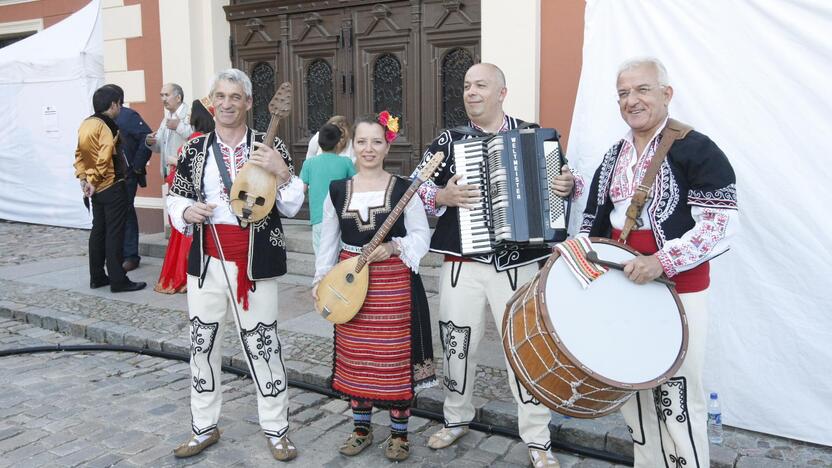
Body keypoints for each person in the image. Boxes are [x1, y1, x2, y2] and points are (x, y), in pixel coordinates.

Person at [413, 63, 578, 468]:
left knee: (526, 348)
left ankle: (538, 439)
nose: (471, 92)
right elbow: (413, 191)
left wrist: (567, 187)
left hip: (520, 265)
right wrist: (442, 199)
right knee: (456, 343)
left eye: (480, 85)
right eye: (467, 85)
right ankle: (456, 417)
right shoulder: (448, 141)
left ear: (501, 92)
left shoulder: (535, 136)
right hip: (462, 263)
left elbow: (565, 188)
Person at [580, 57, 738, 468]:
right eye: (623, 93)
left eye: (642, 90)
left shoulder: (698, 148)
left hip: (678, 290)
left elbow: (719, 226)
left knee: (679, 394)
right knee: (631, 389)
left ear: (667, 94)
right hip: (621, 286)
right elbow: (594, 221)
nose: (631, 100)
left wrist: (662, 262)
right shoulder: (614, 154)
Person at [165, 69, 304, 461]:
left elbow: (292, 204)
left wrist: (282, 170)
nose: (226, 104)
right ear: (212, 101)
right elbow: (174, 198)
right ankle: (203, 427)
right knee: (202, 344)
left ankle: (277, 430)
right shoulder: (194, 149)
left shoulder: (269, 144)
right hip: (208, 259)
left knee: (264, 345)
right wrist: (187, 209)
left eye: (234, 97)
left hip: (254, 263)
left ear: (248, 102)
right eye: (220, 96)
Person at [312, 112, 436, 462]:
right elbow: (328, 240)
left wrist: (394, 247)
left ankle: (399, 435)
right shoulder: (339, 190)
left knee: (394, 359)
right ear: (353, 146)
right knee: (357, 358)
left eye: (376, 142)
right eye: (362, 141)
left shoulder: (403, 188)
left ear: (387, 146)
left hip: (393, 285)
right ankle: (361, 429)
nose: (369, 148)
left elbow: (420, 234)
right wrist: (321, 278)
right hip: (349, 283)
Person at [73, 86, 147, 293]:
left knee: (98, 231)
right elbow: (105, 157)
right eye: (119, 104)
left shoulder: (86, 123)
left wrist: (84, 179)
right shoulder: (109, 126)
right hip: (112, 187)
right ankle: (118, 280)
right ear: (113, 104)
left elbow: (79, 153)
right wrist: (94, 181)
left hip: (95, 190)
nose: (120, 109)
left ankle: (97, 276)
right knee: (114, 233)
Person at [154, 97, 215, 294]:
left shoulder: (197, 137)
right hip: (191, 199)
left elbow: (185, 161)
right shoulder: (208, 137)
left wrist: (174, 159)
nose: (188, 117)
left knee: (184, 239)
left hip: (189, 197)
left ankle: (183, 276)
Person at [102, 84, 153, 273]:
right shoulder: (102, 118)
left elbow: (147, 138)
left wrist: (137, 165)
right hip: (108, 176)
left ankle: (131, 255)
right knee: (114, 216)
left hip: (127, 174)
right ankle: (117, 254)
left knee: (127, 213)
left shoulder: (128, 116)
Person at [299, 123, 356, 256]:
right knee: (340, 256)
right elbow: (355, 186)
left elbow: (301, 190)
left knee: (321, 258)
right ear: (338, 143)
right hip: (341, 217)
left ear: (318, 142)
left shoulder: (309, 164)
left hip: (318, 217)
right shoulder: (346, 162)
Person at [146, 83, 193, 180]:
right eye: (161, 95)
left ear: (178, 98)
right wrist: (150, 142)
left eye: (167, 95)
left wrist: (178, 126)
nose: (163, 99)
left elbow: (195, 137)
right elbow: (159, 147)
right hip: (168, 172)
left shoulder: (190, 113)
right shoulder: (166, 118)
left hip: (185, 171)